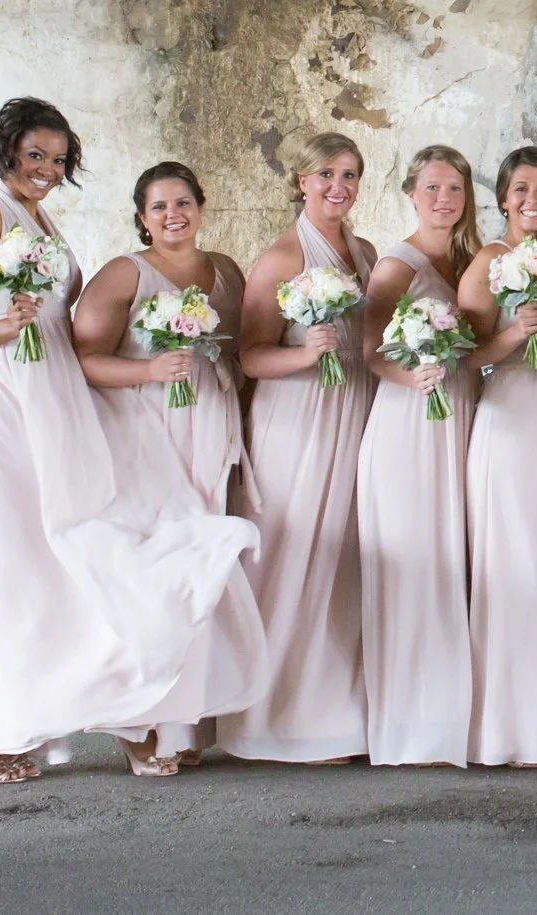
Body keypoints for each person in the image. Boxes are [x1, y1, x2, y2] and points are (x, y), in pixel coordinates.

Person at [0, 98, 257, 782]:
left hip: (55, 392)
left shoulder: (40, 218)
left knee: (83, 552)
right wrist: (6, 324)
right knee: (19, 556)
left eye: (58, 158)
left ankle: (126, 710)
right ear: (6, 150)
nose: (48, 169)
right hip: (5, 395)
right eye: (36, 155)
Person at [70, 162, 269, 767]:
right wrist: (150, 370)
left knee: (202, 576)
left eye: (183, 202)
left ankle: (182, 729)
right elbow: (83, 360)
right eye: (158, 207)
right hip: (149, 432)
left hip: (211, 428)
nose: (172, 215)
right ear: (141, 217)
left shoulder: (227, 272)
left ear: (201, 206)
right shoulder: (123, 274)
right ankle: (138, 728)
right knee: (157, 575)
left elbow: (239, 351)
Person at [222, 131, 377, 763]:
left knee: (344, 556)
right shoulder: (283, 256)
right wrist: (304, 351)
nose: (337, 187)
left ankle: (333, 709)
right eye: (325, 176)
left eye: (349, 175)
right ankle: (268, 713)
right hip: (298, 417)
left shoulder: (363, 251)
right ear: (301, 182)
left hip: (353, 408)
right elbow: (251, 356)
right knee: (291, 554)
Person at [355, 146, 482, 767]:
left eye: (454, 188)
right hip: (412, 421)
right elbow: (372, 349)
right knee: (415, 563)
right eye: (432, 187)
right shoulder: (397, 262)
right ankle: (410, 728)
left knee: (452, 560)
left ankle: (452, 715)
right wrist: (412, 380)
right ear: (411, 192)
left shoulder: (469, 258)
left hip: (461, 416)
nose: (443, 199)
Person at [456, 146, 537, 767]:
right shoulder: (487, 261)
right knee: (514, 559)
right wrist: (513, 333)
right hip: (507, 422)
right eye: (522, 190)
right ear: (503, 197)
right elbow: (466, 353)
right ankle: (506, 727)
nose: (534, 201)